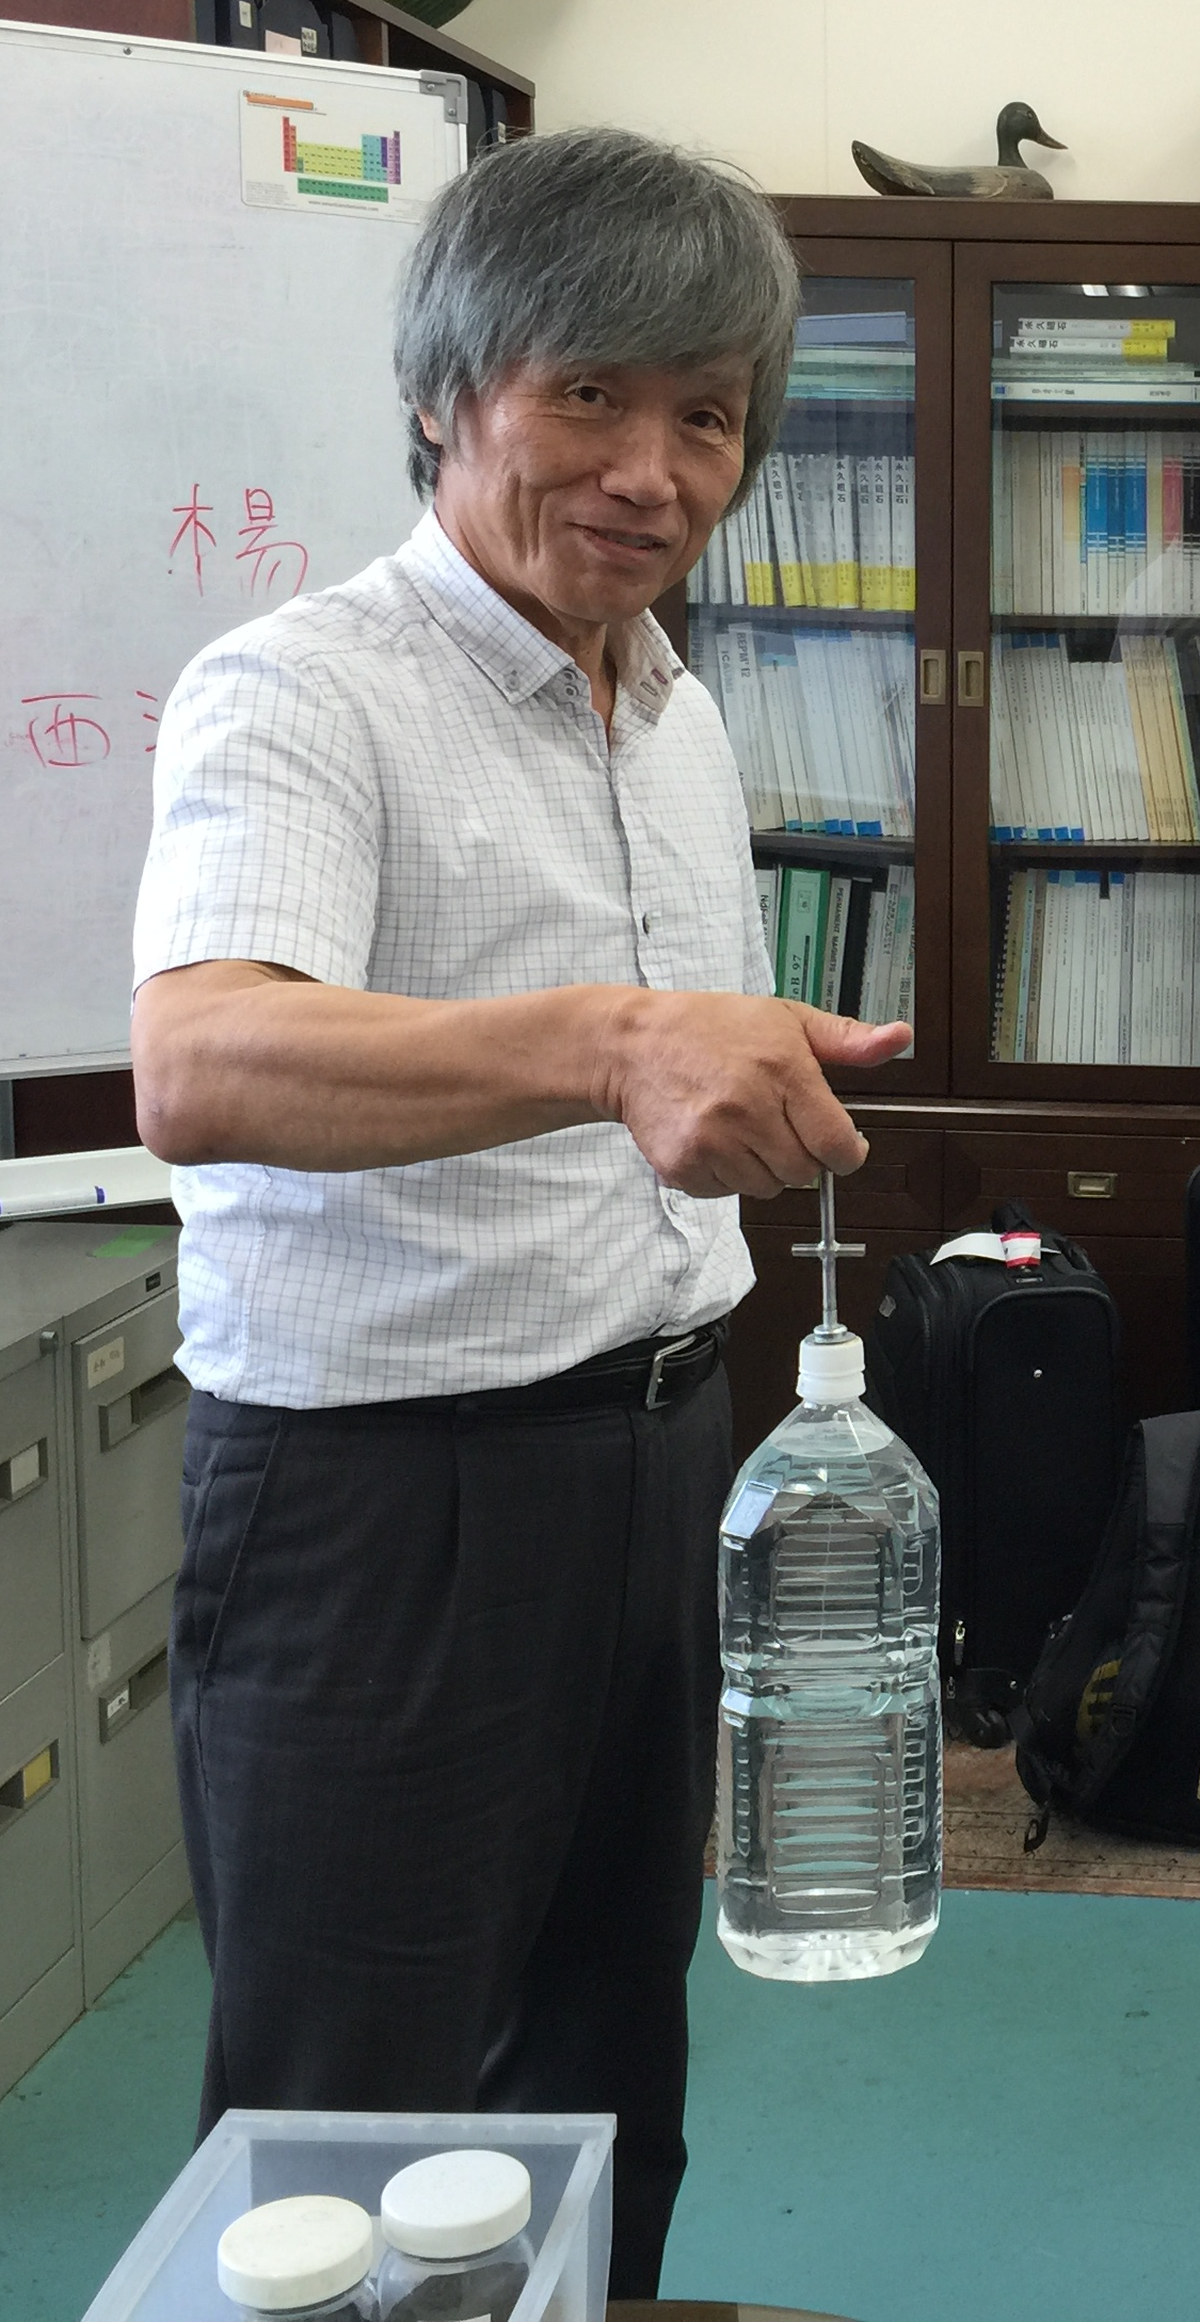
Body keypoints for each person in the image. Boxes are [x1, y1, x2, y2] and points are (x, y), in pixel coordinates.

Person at [131, 126, 909, 2295]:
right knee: (350, 2123)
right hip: (386, 1504)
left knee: (607, 2059)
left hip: (655, 1457)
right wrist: (615, 1043)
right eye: (589, 395)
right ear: (444, 396)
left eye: (708, 418)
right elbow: (204, 1059)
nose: (653, 472)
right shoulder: (304, 689)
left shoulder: (673, 706)